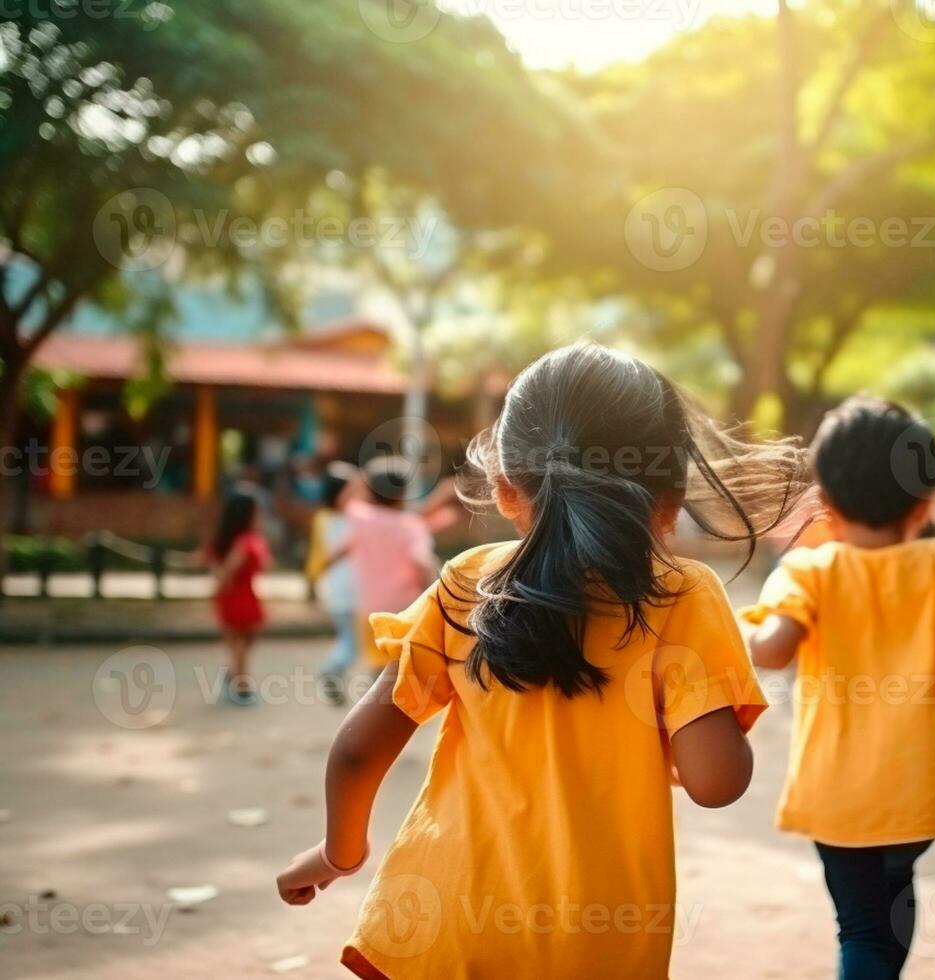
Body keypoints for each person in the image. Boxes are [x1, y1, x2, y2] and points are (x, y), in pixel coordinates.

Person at [275, 343, 805, 979]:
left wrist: (340, 854)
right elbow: (716, 783)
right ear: (669, 500)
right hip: (595, 944)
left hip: (443, 922)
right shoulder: (683, 595)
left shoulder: (467, 582)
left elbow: (359, 750)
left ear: (504, 488)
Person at [743, 397, 935, 980]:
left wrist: (734, 634)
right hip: (915, 794)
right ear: (926, 500)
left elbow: (772, 650)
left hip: (835, 797)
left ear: (824, 504)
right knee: (891, 906)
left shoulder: (810, 571)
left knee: (861, 928)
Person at [331, 456, 441, 677]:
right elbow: (423, 562)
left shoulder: (360, 517)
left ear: (368, 490)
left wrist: (361, 478)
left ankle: (376, 702)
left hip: (369, 607)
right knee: (399, 668)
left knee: (377, 666)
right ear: (404, 493)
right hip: (404, 607)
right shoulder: (410, 525)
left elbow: (342, 502)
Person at [304, 462, 363, 706]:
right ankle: (333, 668)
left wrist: (314, 582)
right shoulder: (357, 518)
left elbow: (317, 554)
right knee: (355, 641)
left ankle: (336, 673)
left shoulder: (322, 518)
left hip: (335, 590)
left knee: (348, 637)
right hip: (354, 589)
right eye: (353, 490)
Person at [206, 492, 272, 707]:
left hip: (237, 595)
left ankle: (233, 676)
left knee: (241, 641)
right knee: (241, 642)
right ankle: (241, 686)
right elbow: (227, 571)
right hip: (239, 596)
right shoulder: (245, 541)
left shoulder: (231, 540)